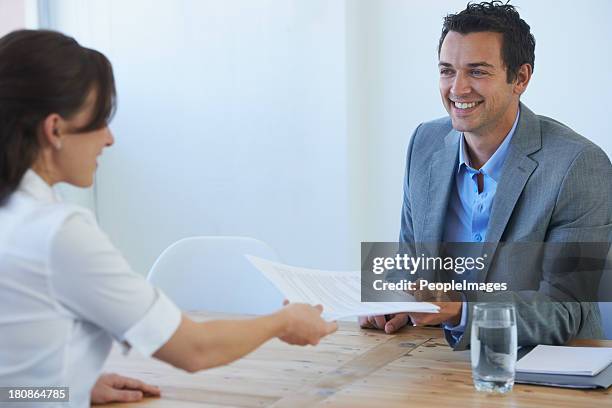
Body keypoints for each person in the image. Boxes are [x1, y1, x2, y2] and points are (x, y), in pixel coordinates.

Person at [0, 29, 337, 407]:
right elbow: (195, 349)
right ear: (55, 129)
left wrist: (72, 388)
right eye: (100, 119)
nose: (109, 138)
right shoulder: (58, 234)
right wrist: (284, 320)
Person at [360, 1, 611, 349]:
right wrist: (391, 301)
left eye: (477, 71)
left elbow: (566, 309)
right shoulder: (424, 143)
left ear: (520, 78)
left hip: (544, 369)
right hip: (435, 361)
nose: (457, 89)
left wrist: (461, 311)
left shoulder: (578, 165)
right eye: (447, 70)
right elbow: (409, 263)